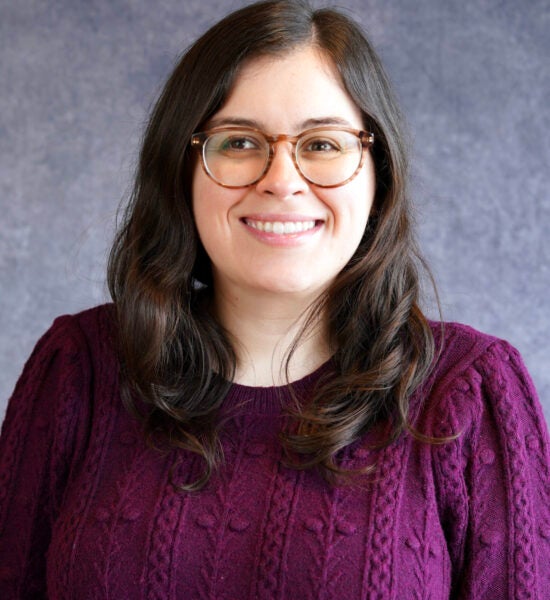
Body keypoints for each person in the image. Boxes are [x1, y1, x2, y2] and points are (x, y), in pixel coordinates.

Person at [1, 0, 548, 597]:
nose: (281, 180)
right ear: (180, 170)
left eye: (322, 145)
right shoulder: (77, 369)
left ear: (378, 171)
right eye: (238, 142)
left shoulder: (469, 391)